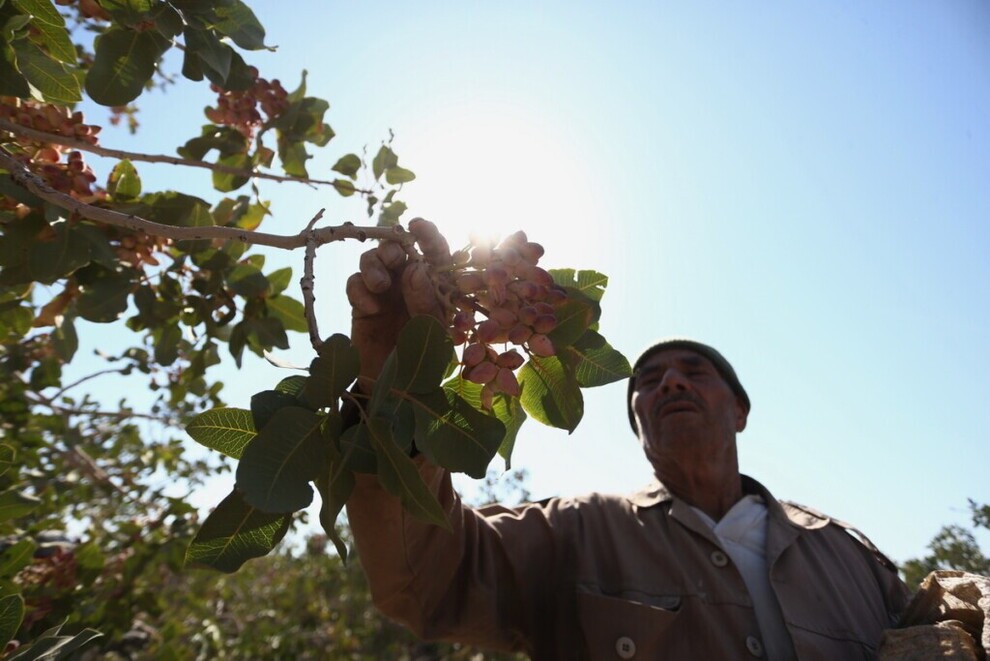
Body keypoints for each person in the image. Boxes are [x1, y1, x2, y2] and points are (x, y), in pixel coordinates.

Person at [344, 219, 911, 659]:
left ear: (739, 409)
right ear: (637, 423)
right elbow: (428, 580)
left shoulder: (851, 558)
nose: (671, 381)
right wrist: (392, 384)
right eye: (647, 380)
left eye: (695, 370)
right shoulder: (576, 533)